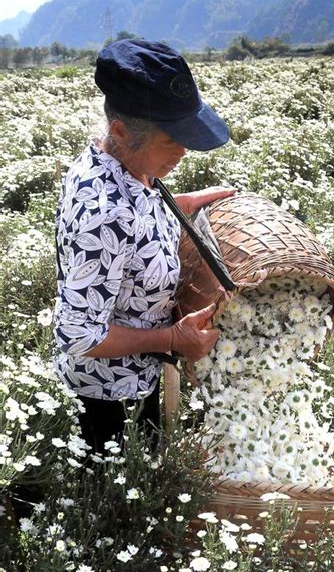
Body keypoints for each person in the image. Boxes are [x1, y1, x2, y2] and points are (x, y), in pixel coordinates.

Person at [52, 39, 235, 455]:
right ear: (120, 131)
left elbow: (138, 218)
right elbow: (79, 334)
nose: (184, 150)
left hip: (138, 378)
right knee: (119, 503)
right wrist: (172, 338)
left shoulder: (125, 163)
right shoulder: (103, 213)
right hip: (108, 397)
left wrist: (182, 204)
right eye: (172, 139)